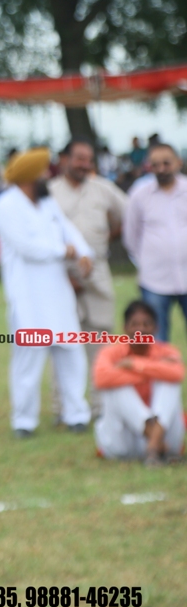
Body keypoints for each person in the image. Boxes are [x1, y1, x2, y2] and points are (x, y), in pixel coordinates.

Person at [0, 148, 94, 437]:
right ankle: (24, 422)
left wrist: (84, 252)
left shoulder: (47, 203)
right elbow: (27, 247)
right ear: (29, 178)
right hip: (28, 299)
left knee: (71, 354)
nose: (48, 177)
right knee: (29, 361)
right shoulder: (5, 206)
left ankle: (77, 415)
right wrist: (65, 251)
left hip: (59, 295)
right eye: (43, 173)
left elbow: (68, 229)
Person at [48, 140, 129, 415]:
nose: (85, 165)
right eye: (79, 159)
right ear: (64, 159)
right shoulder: (50, 192)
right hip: (60, 275)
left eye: (89, 160)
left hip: (98, 272)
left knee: (102, 341)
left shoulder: (103, 188)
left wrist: (110, 235)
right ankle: (63, 408)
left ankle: (101, 408)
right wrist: (64, 275)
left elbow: (129, 213)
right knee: (63, 343)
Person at [93, 300, 184, 465]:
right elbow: (101, 378)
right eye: (134, 324)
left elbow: (178, 373)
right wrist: (152, 369)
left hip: (166, 435)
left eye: (146, 324)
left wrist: (134, 364)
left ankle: (153, 446)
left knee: (169, 382)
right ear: (125, 328)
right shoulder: (110, 352)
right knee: (115, 385)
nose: (140, 329)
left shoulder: (167, 351)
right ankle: (156, 445)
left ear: (156, 328)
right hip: (122, 443)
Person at [123, 143, 187, 343]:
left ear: (178, 162)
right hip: (154, 280)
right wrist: (145, 261)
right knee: (156, 341)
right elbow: (130, 236)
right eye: (155, 164)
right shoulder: (139, 194)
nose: (161, 169)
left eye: (166, 163)